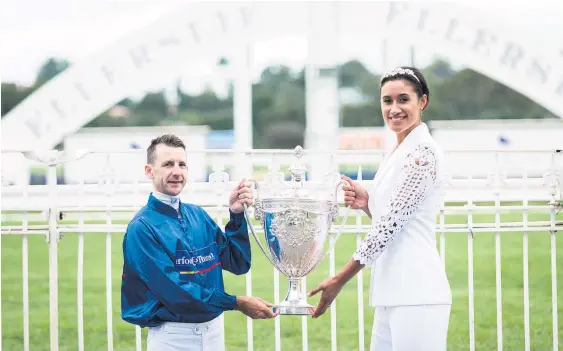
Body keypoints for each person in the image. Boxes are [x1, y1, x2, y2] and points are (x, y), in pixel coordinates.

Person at [308, 67, 452, 351]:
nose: (394, 108)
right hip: (391, 291)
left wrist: (339, 279)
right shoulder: (398, 152)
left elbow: (388, 229)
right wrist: (368, 203)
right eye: (387, 101)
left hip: (417, 290)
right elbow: (394, 219)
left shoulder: (423, 153)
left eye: (403, 99)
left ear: (422, 102)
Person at [121, 134, 277, 351]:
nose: (177, 171)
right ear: (149, 171)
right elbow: (176, 292)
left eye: (182, 164)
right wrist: (237, 302)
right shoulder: (141, 228)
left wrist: (236, 215)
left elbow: (238, 263)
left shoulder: (197, 215)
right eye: (168, 164)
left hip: (214, 333)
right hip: (172, 337)